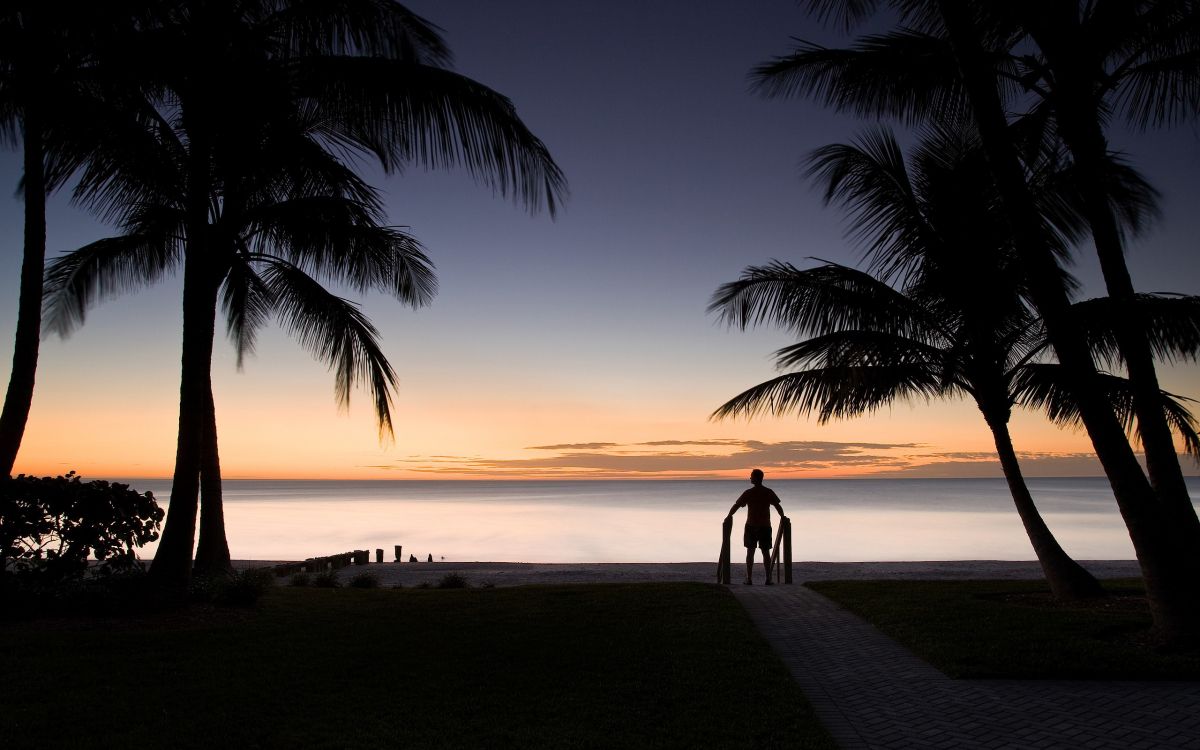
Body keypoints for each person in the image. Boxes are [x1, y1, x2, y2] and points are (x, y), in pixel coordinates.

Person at [726, 469, 784, 585]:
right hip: (764, 526)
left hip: (752, 526)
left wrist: (729, 515)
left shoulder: (749, 493)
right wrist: (783, 516)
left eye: (751, 476)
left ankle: (750, 578)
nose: (750, 478)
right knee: (765, 552)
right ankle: (768, 578)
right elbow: (777, 506)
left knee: (751, 552)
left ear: (756, 478)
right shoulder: (768, 492)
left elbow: (737, 505)